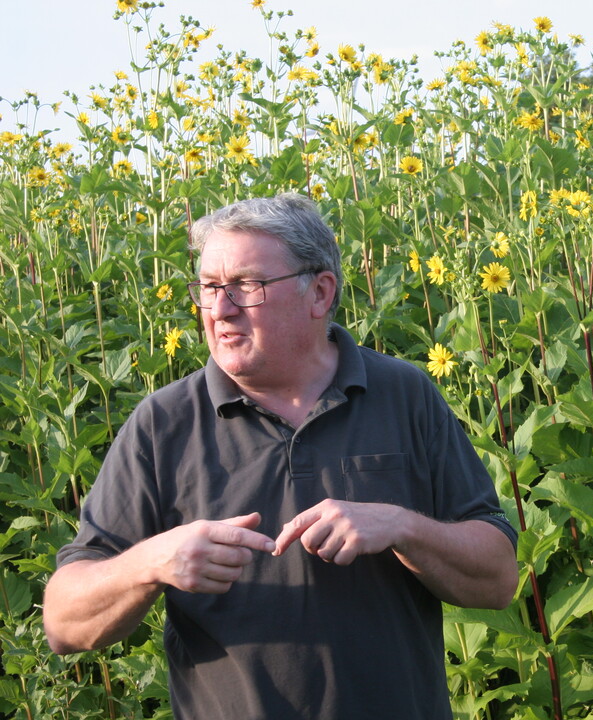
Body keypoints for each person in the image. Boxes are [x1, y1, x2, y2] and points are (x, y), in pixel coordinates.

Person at [43, 193, 519, 719]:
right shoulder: (164, 422)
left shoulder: (404, 394)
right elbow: (64, 622)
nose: (220, 309)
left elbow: (497, 577)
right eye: (208, 288)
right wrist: (154, 563)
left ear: (319, 292)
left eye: (247, 286)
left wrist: (401, 526)